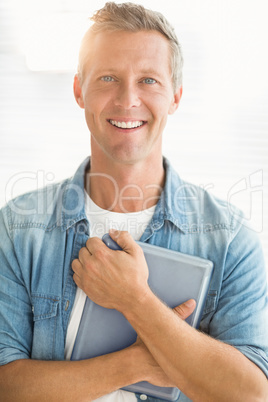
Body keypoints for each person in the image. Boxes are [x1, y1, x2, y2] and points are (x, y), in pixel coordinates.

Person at [0, 2, 267, 401]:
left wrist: (136, 301)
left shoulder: (230, 240)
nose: (128, 99)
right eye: (108, 78)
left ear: (175, 96)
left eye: (148, 80)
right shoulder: (18, 229)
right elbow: (6, 386)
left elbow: (249, 395)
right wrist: (140, 362)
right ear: (79, 91)